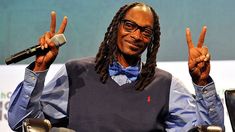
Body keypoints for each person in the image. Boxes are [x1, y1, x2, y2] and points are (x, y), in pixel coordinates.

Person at [8, 2, 224, 131]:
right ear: (116, 27)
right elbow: (22, 123)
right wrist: (38, 69)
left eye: (145, 31)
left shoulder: (166, 85)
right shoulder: (75, 73)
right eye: (129, 25)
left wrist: (202, 81)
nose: (136, 35)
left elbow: (210, 130)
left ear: (152, 40)